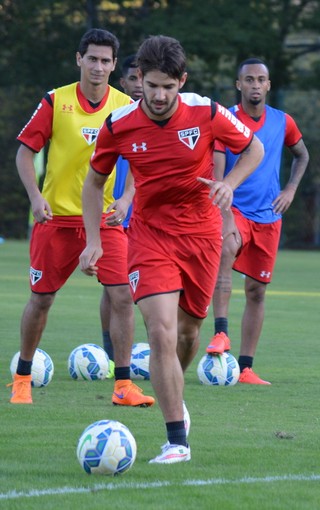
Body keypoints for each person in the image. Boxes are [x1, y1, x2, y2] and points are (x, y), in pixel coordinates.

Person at [79, 35, 264, 464]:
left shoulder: (207, 112)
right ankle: (176, 440)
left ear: (182, 81)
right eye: (152, 85)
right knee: (160, 330)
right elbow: (93, 182)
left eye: (169, 86)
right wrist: (92, 241)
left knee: (186, 333)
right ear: (139, 79)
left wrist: (228, 185)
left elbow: (253, 147)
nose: (159, 96)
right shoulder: (119, 125)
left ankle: (174, 395)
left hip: (200, 237)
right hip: (149, 237)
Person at [10, 28, 155, 409]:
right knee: (41, 301)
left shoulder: (126, 106)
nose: (99, 66)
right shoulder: (55, 101)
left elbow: (143, 158)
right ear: (80, 60)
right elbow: (24, 153)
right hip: (55, 221)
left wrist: (126, 198)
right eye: (92, 58)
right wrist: (36, 196)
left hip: (106, 223)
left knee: (123, 296)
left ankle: (123, 386)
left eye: (106, 60)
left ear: (114, 66)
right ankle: (22, 378)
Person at [206, 58, 309, 384]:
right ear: (239, 84)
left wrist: (290, 189)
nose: (254, 84)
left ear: (268, 85)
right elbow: (218, 171)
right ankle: (220, 333)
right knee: (225, 254)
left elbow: (302, 155)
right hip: (233, 208)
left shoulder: (283, 121)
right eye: (248, 79)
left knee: (257, 291)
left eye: (260, 79)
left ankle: (246, 368)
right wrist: (224, 215)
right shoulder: (226, 119)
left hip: (269, 215)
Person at [101, 54, 142, 364]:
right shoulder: (116, 117)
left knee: (127, 289)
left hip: (142, 213)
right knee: (114, 287)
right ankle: (110, 352)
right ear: (124, 83)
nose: (139, 85)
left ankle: (124, 354)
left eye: (145, 78)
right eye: (134, 79)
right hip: (112, 212)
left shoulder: (155, 118)